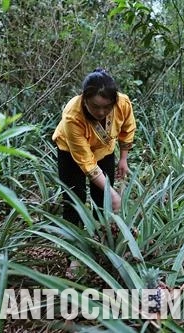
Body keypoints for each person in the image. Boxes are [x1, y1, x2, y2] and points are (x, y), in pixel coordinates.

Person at [53, 68, 136, 225]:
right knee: (74, 197)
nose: (101, 112)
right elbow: (86, 161)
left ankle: (101, 233)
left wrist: (123, 158)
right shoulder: (73, 115)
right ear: (84, 98)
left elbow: (127, 128)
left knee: (102, 195)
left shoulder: (122, 103)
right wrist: (113, 195)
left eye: (107, 107)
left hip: (104, 149)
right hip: (71, 151)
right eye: (95, 106)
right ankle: (73, 238)